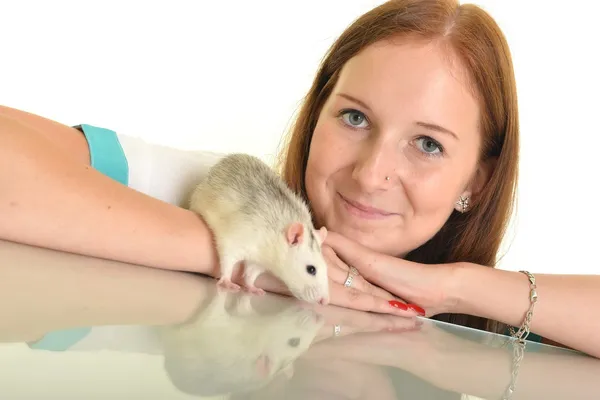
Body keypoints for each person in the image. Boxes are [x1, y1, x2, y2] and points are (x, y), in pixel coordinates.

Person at [1, 0, 598, 359]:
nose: (371, 174)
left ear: (479, 181)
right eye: (355, 117)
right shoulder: (221, 196)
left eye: (427, 144)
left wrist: (462, 290)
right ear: (317, 116)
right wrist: (230, 254)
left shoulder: (502, 347)